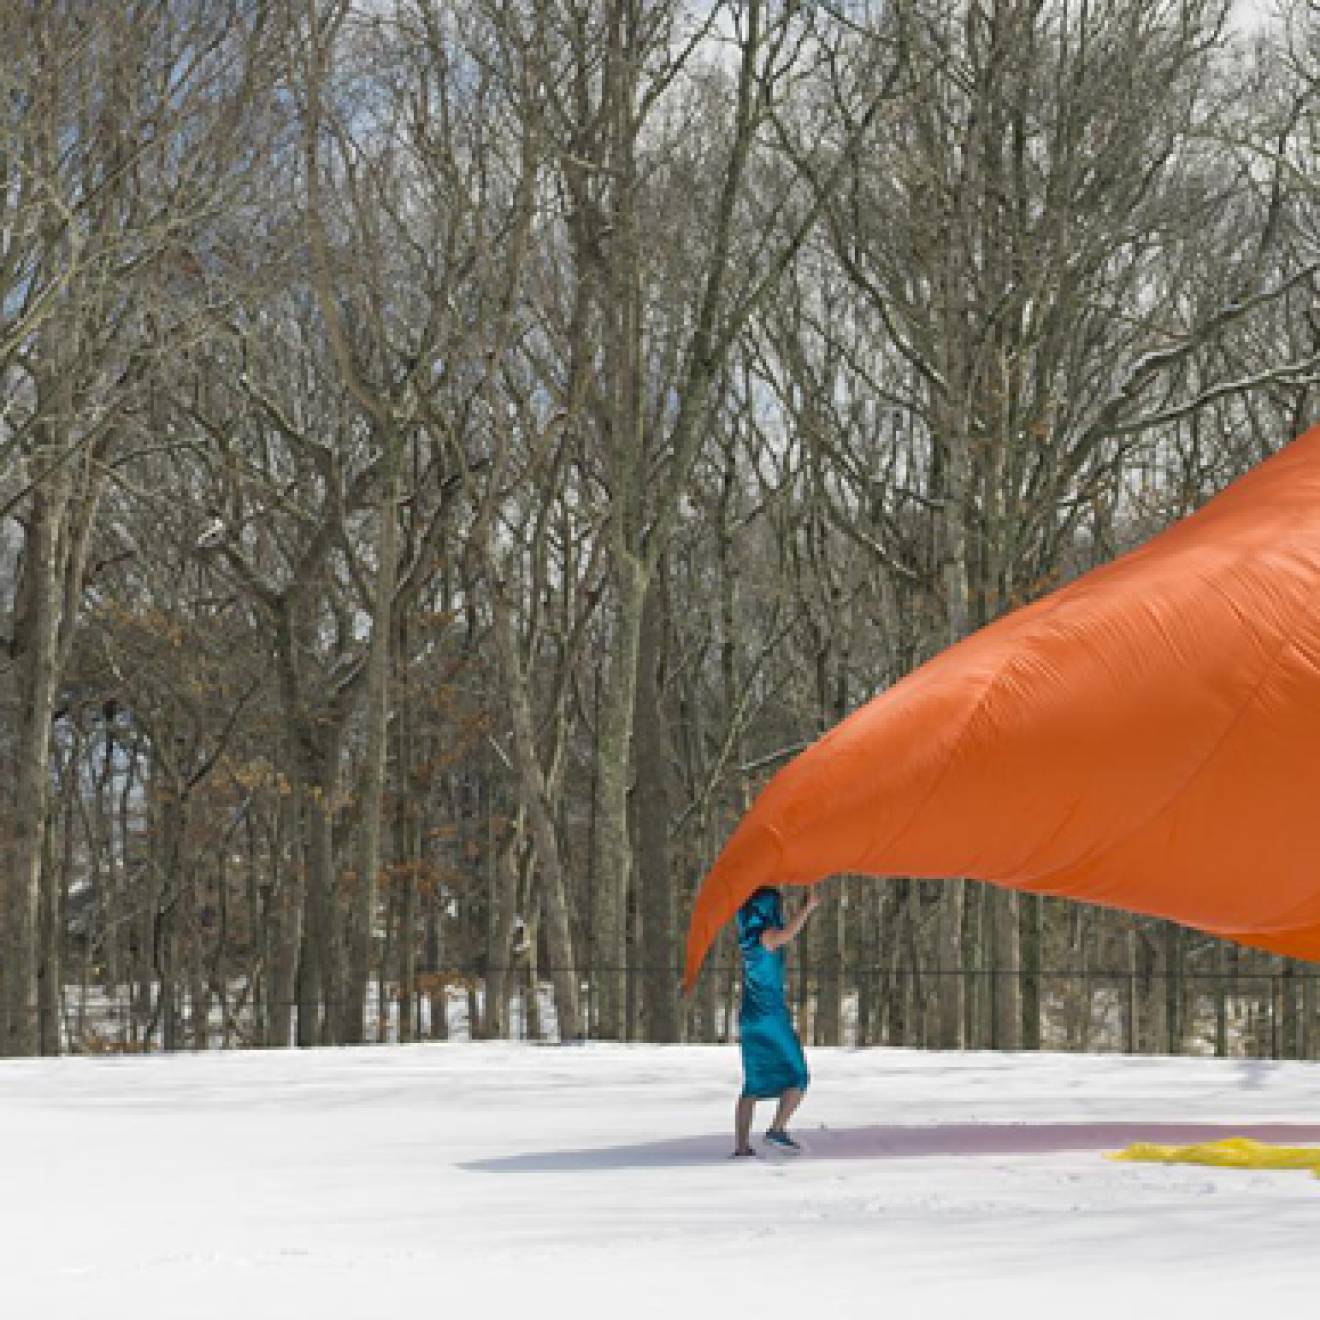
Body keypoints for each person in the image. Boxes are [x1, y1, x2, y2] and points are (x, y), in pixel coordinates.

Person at [732, 884, 821, 1156]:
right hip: (770, 1016)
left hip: (750, 1018)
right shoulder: (765, 937)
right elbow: (786, 934)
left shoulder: (748, 939)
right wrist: (807, 908)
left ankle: (742, 1147)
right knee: (798, 1075)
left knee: (753, 1082)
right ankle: (777, 1129)